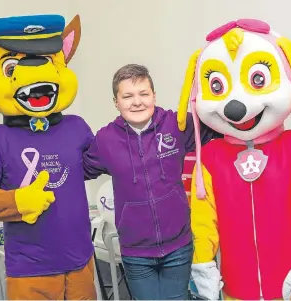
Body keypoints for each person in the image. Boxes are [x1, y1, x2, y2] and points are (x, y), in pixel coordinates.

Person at [180, 19, 291, 300]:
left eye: (257, 80)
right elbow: (202, 221)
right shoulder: (211, 157)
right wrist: (203, 265)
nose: (236, 106)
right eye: (217, 86)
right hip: (239, 289)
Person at [0, 14, 97, 300]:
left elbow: (103, 161)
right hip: (30, 271)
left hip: (80, 262)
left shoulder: (77, 128)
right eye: (12, 67)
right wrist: (17, 201)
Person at [83, 64, 221, 300]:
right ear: (116, 102)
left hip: (179, 244)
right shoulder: (105, 139)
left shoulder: (176, 125)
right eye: (127, 96)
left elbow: (219, 128)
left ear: (154, 96)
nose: (137, 102)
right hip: (135, 251)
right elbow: (79, 169)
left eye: (143, 94)